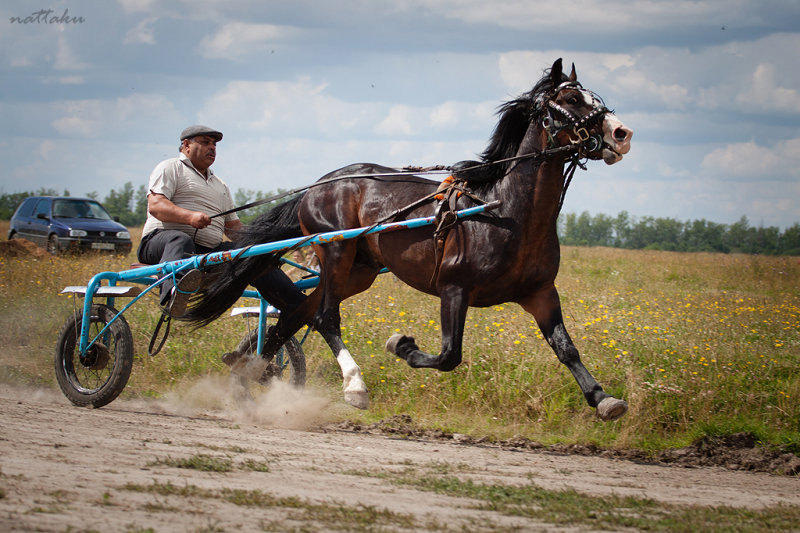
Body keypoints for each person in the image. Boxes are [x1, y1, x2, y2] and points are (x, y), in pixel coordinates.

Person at [138, 125, 305, 318]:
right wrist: (190, 217)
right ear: (186, 145)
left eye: (214, 144)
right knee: (180, 240)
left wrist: (262, 245)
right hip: (160, 244)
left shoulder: (220, 185)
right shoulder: (170, 167)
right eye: (205, 142)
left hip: (204, 252)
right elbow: (156, 206)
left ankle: (298, 305)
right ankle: (173, 295)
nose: (212, 148)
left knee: (249, 256)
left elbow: (234, 229)